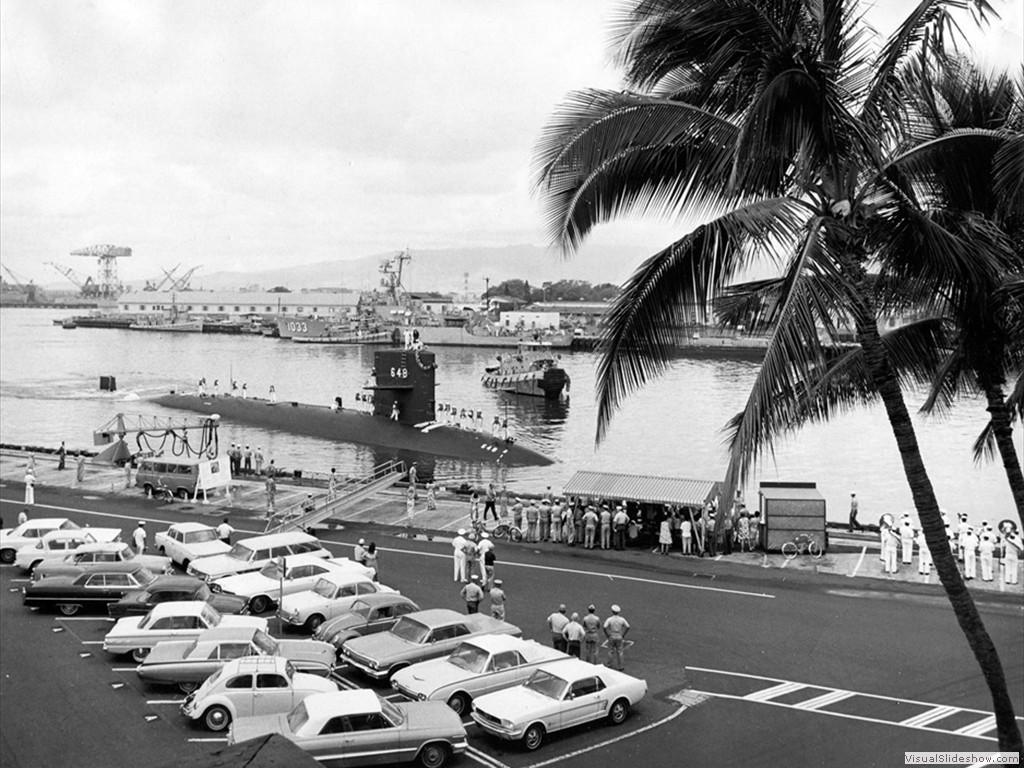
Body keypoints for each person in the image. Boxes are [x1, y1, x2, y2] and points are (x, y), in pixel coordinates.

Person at [603, 605, 630, 671]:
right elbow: (627, 626)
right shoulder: (622, 619)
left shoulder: (610, 619)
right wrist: (623, 634)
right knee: (620, 651)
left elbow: (604, 627)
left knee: (610, 651)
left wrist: (607, 634)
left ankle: (609, 664)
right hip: (619, 636)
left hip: (612, 635)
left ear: (612, 611)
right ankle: (620, 666)